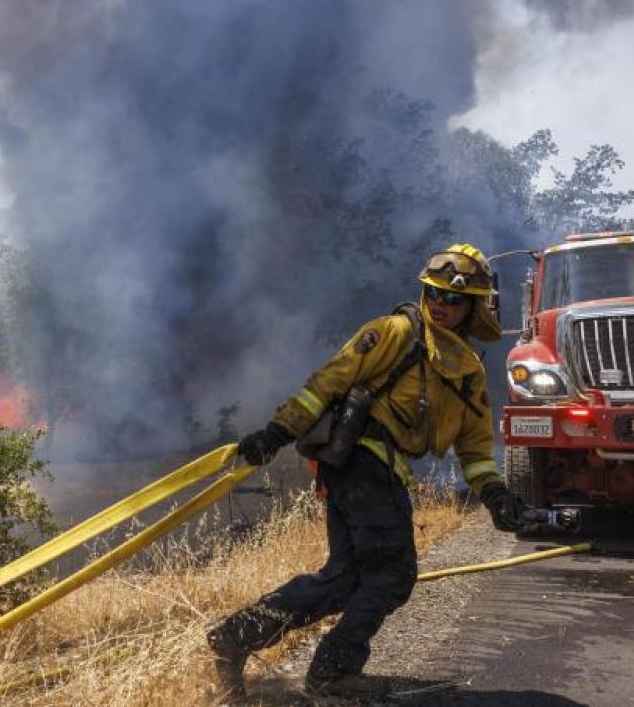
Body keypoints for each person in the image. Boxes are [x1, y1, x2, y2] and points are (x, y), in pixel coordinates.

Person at [207, 243, 526, 700]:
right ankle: (333, 672)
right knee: (393, 575)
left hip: (377, 470)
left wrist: (495, 495)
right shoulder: (395, 332)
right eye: (434, 293)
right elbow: (326, 384)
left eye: (454, 299)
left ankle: (237, 636)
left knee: (344, 579)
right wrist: (276, 433)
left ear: (474, 306)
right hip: (360, 462)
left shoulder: (468, 372)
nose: (441, 304)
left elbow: (474, 448)